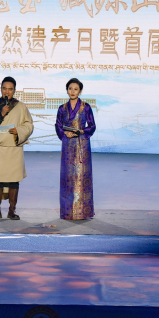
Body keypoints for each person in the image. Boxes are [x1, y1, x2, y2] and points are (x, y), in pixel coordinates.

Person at [0, 76, 34, 220]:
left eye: (10, 89)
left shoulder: (21, 106)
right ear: (1, 89)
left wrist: (19, 130)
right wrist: (1, 114)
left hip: (14, 147)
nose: (7, 92)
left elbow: (29, 125)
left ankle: (12, 211)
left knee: (14, 180)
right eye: (4, 89)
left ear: (14, 90)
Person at [55, 77, 96, 220]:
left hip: (82, 145)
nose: (72, 91)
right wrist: (64, 133)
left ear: (80, 91)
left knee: (81, 176)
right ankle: (67, 212)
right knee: (67, 177)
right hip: (67, 145)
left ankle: (83, 212)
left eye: (76, 89)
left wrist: (82, 131)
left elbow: (92, 126)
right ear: (67, 90)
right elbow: (58, 126)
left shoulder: (86, 107)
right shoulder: (62, 108)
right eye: (70, 89)